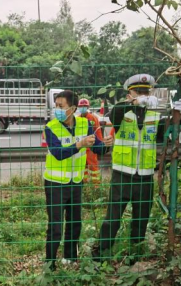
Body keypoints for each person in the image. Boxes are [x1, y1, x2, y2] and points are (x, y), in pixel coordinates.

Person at [92, 74, 181, 261]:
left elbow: (170, 129)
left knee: (140, 220)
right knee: (112, 219)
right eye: (139, 92)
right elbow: (114, 112)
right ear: (129, 94)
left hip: (144, 178)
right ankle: (100, 255)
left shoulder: (154, 115)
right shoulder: (122, 112)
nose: (143, 95)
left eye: (146, 92)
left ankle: (134, 258)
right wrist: (135, 103)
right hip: (122, 176)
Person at [43, 90, 113, 270]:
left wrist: (105, 145)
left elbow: (95, 147)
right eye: (56, 106)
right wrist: (79, 144)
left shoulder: (85, 124)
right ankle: (50, 264)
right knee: (56, 227)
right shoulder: (50, 127)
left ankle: (70, 258)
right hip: (55, 184)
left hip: (76, 183)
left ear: (73, 108)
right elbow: (58, 153)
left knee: (75, 223)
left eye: (61, 106)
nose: (57, 109)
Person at [77, 98, 104, 184]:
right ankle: (83, 184)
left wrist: (100, 145)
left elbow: (98, 131)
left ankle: (96, 185)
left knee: (93, 166)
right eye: (81, 106)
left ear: (88, 107)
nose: (83, 108)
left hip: (91, 147)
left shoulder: (93, 118)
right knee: (82, 166)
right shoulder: (77, 119)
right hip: (81, 147)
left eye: (84, 106)